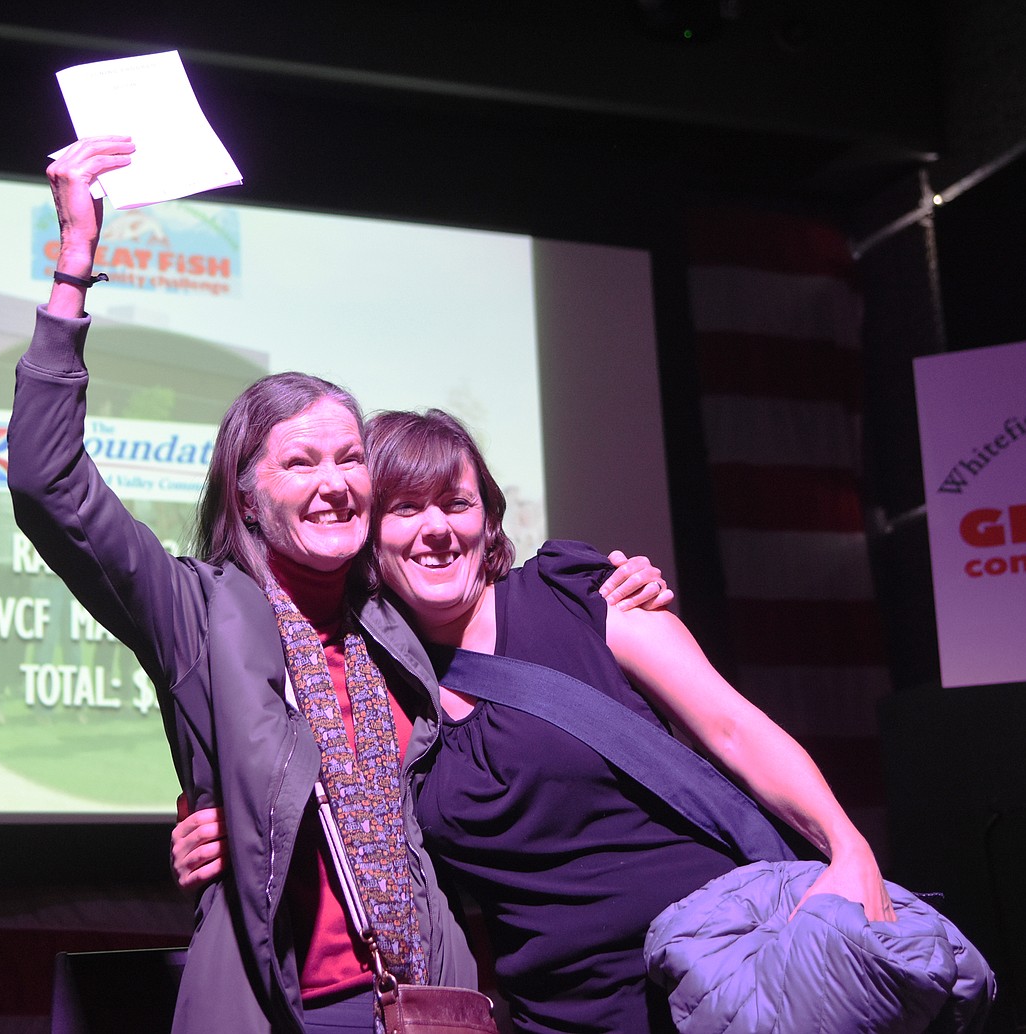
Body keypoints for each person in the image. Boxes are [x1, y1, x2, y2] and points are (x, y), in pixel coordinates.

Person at [6, 136, 665, 1034]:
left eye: (351, 457)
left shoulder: (394, 621)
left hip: (431, 1002)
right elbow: (49, 484)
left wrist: (609, 585)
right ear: (247, 489)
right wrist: (74, 265)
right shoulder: (198, 611)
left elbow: (502, 592)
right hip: (283, 1009)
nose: (335, 481)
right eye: (301, 461)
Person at [173, 408, 895, 1034]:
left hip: (727, 968)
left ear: (488, 517)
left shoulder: (580, 598)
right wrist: (221, 829)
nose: (436, 530)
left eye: (455, 503)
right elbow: (333, 817)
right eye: (405, 508)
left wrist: (848, 846)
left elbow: (737, 729)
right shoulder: (375, 683)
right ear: (368, 534)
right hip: (566, 1012)